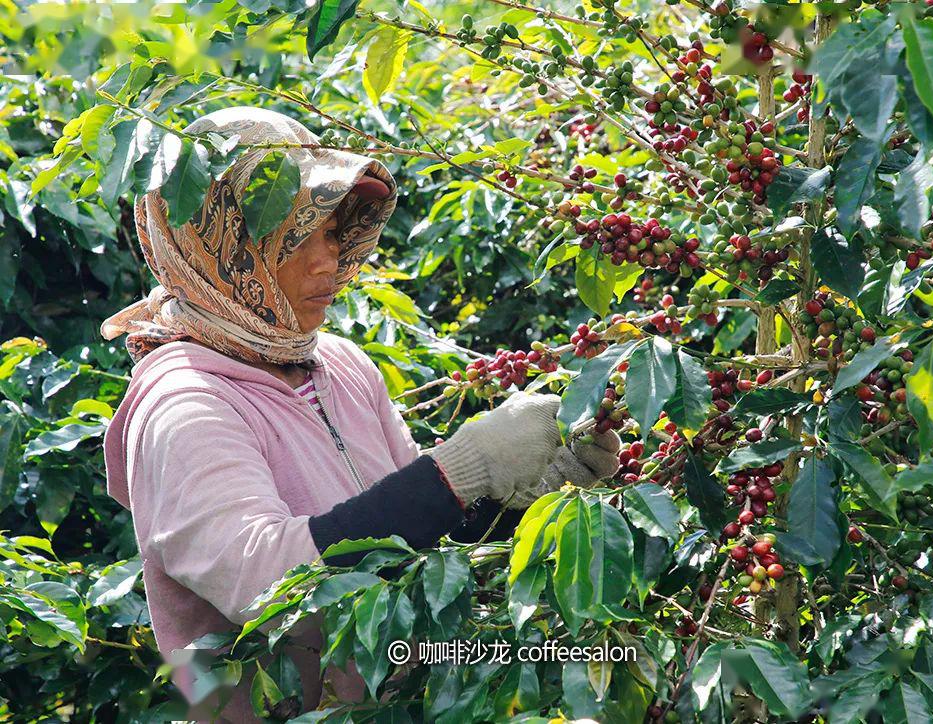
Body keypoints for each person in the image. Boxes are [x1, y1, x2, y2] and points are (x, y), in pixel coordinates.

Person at [100, 107, 621, 722]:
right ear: (222, 249)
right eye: (296, 238)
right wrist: (468, 464)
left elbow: (424, 546)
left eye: (331, 232)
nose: (329, 261)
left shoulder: (340, 364)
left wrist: (531, 493)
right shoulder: (183, 405)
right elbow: (265, 582)